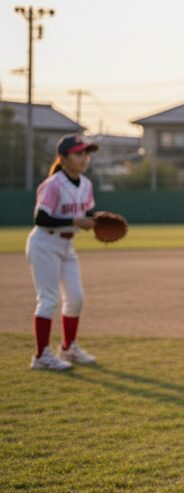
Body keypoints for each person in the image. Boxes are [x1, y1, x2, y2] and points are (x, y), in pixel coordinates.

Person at [26, 134, 103, 370]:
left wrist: (98, 220)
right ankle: (41, 356)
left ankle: (68, 348)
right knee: (49, 300)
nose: (84, 158)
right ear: (63, 158)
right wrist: (75, 220)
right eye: (79, 153)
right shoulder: (53, 184)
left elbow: (88, 213)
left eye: (86, 153)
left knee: (76, 298)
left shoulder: (86, 184)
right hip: (44, 244)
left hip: (67, 246)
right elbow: (40, 217)